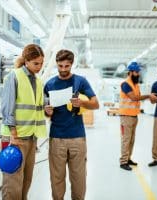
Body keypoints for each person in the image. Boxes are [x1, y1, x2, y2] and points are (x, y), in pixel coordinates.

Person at [44, 49, 99, 200]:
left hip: (77, 138)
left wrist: (82, 102)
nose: (63, 69)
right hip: (56, 138)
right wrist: (47, 111)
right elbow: (45, 110)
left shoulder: (80, 81)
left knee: (79, 178)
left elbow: (96, 104)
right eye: (60, 66)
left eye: (66, 66)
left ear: (72, 64)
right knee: (56, 179)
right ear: (56, 64)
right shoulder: (49, 85)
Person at [0, 44, 47, 200]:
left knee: (26, 181)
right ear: (26, 61)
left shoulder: (38, 81)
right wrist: (13, 133)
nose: (39, 67)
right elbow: (8, 107)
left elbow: (36, 108)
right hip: (16, 138)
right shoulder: (14, 76)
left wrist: (47, 110)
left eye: (41, 63)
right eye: (36, 63)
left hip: (31, 137)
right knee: (13, 183)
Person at [119, 62, 153, 171]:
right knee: (126, 139)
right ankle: (123, 162)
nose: (138, 74)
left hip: (134, 116)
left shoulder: (135, 85)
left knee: (132, 140)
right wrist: (149, 96)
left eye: (138, 72)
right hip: (126, 116)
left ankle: (128, 158)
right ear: (130, 72)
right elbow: (134, 98)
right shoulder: (126, 84)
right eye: (136, 72)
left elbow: (137, 97)